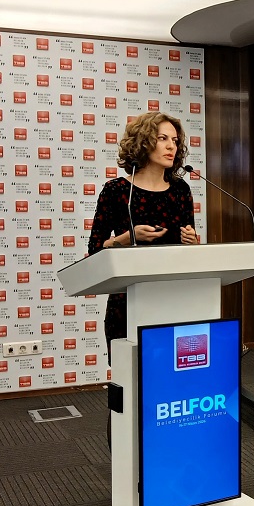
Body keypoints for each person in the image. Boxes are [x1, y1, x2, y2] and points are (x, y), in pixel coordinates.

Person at [87, 112, 198, 346]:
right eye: (163, 139)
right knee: (130, 366)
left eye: (175, 141)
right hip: (128, 301)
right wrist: (128, 238)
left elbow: (189, 252)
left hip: (174, 298)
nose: (171, 146)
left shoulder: (180, 190)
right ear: (143, 142)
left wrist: (192, 242)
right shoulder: (117, 190)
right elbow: (96, 249)